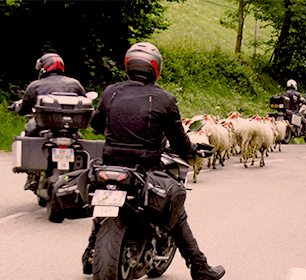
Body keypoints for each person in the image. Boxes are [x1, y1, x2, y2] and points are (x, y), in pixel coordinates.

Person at [82, 42, 225, 280]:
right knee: (175, 209)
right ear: (155, 69)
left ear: (128, 65)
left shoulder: (111, 92)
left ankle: (90, 254)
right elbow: (179, 142)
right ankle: (199, 267)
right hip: (147, 168)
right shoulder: (165, 99)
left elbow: (96, 125)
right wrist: (191, 150)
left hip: (110, 165)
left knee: (103, 203)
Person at [12, 53, 86, 191]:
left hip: (44, 129)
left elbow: (23, 108)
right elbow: (85, 100)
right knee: (80, 142)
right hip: (70, 130)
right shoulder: (74, 83)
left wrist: (16, 107)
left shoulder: (36, 85)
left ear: (43, 68)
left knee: (28, 132)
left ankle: (32, 175)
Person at [282, 79, 306, 144]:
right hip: (295, 112)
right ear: (294, 85)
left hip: (286, 112)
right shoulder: (296, 94)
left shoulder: (284, 94)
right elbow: (303, 100)